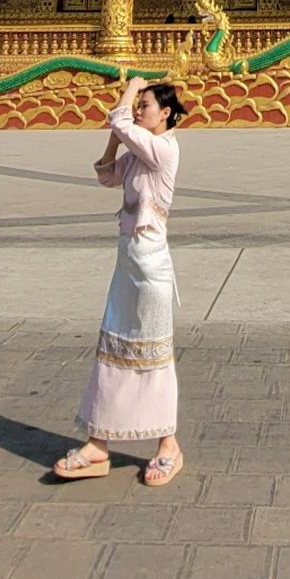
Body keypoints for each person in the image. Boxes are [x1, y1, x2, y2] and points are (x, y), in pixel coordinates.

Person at [54, 74, 187, 486]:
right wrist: (115, 137)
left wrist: (131, 85)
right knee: (113, 349)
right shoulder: (137, 152)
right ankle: (98, 443)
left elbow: (120, 120)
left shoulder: (162, 149)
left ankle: (169, 444)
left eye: (145, 105)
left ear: (164, 114)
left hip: (151, 268)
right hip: (127, 261)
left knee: (153, 356)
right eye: (139, 104)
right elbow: (106, 176)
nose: (138, 110)